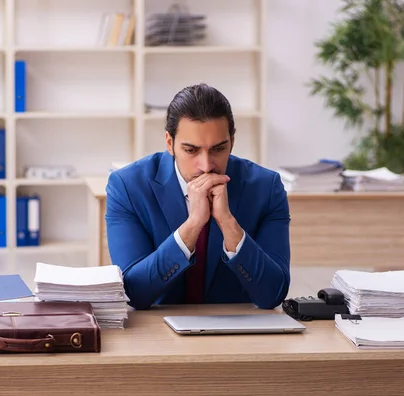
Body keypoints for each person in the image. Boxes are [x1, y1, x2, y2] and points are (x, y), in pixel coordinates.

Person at [105, 83, 290, 311]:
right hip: (156, 334)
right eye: (191, 150)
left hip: (237, 332)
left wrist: (228, 224)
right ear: (170, 143)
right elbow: (134, 292)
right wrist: (192, 226)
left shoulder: (266, 188)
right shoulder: (128, 187)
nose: (206, 165)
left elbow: (273, 294)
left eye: (218, 149)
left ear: (232, 141)